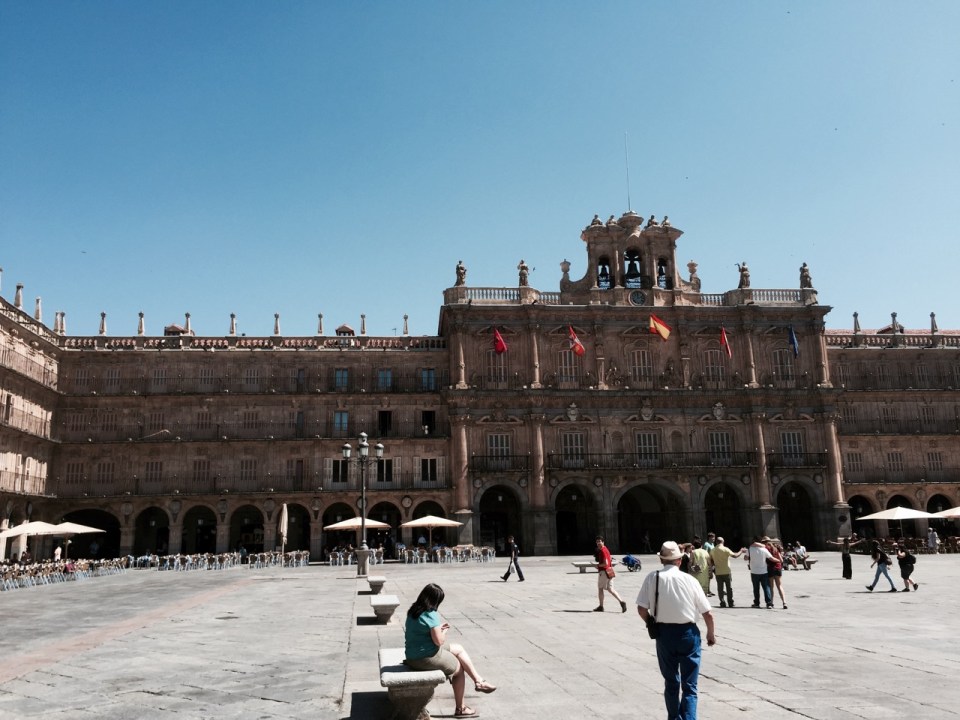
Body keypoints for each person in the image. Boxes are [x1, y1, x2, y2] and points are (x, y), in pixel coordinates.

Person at [635, 541, 716, 720]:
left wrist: (651, 623)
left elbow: (641, 609)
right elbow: (708, 613)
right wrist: (710, 633)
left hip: (664, 634)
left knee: (671, 682)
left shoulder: (652, 577)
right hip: (689, 634)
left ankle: (673, 718)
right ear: (679, 560)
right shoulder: (690, 580)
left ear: (662, 560)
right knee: (690, 685)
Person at [403, 583, 496, 718]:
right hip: (426, 657)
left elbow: (423, 631)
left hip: (413, 655)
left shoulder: (413, 611)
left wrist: (437, 628)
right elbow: (439, 641)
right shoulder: (431, 614)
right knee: (458, 670)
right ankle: (461, 708)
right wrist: (443, 631)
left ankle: (479, 681)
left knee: (458, 648)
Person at [593, 536, 628, 613]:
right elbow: (609, 561)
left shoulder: (602, 551)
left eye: (599, 541)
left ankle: (601, 606)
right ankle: (622, 602)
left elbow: (605, 563)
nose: (598, 543)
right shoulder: (606, 549)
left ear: (603, 542)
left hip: (604, 572)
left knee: (600, 588)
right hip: (610, 571)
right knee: (610, 589)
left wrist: (598, 565)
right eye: (597, 542)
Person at [709, 536, 744, 608]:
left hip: (718, 572)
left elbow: (711, 561)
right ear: (723, 542)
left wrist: (711, 569)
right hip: (727, 571)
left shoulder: (713, 550)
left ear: (716, 542)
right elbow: (735, 556)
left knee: (720, 588)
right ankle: (730, 602)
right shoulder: (725, 549)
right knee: (729, 588)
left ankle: (722, 602)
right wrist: (741, 551)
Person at [747, 536, 774, 608]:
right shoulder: (764, 549)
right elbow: (771, 558)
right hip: (764, 571)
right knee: (766, 588)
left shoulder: (750, 548)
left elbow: (746, 558)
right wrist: (779, 561)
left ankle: (756, 603)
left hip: (754, 571)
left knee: (756, 588)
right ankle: (769, 603)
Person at [766, 540, 788, 610]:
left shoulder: (766, 550)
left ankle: (771, 603)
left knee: (771, 587)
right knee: (779, 586)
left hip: (770, 569)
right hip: (778, 569)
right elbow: (781, 560)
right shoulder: (776, 550)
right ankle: (784, 602)